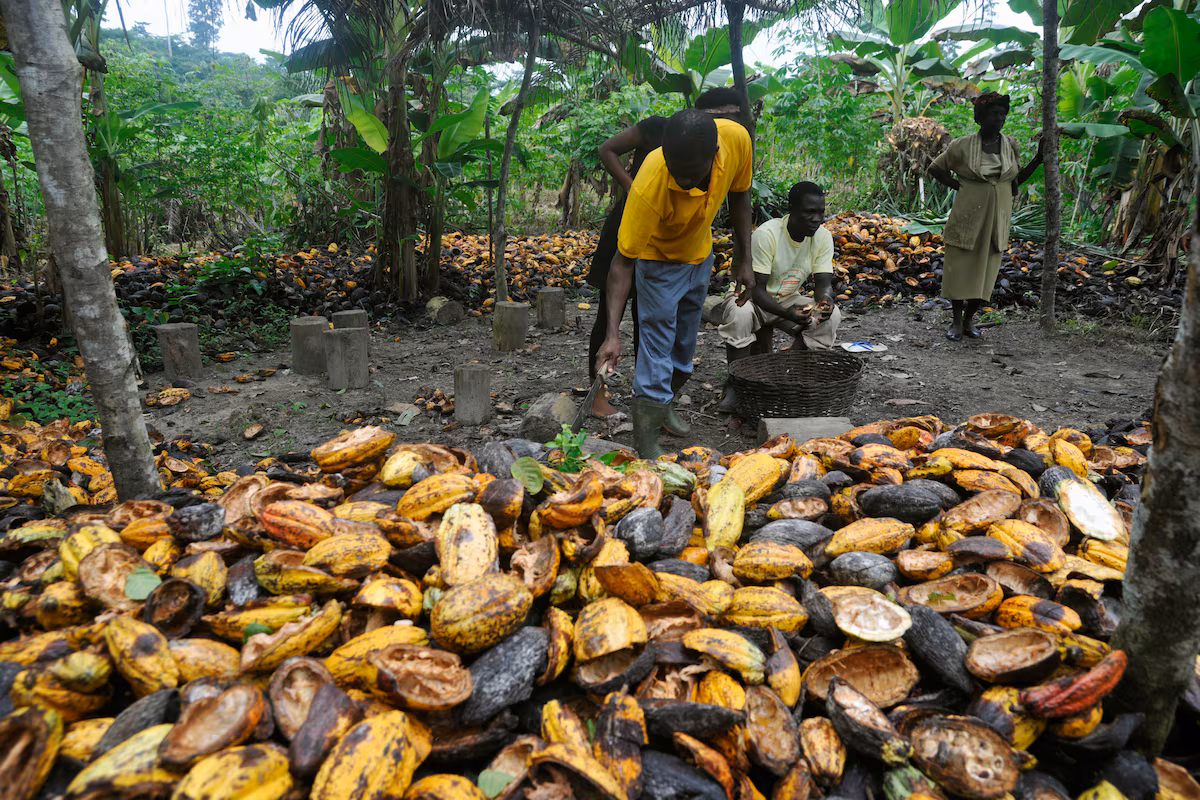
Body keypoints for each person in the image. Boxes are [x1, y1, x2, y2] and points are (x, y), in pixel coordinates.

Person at [596, 108, 754, 459]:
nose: (680, 181)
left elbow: (740, 195)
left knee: (683, 353)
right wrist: (612, 333)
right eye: (675, 171)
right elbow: (621, 265)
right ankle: (646, 441)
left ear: (713, 156)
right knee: (656, 348)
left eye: (690, 174)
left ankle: (665, 405)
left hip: (699, 256)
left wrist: (746, 258)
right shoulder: (649, 185)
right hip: (657, 264)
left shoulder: (736, 140)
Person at [715, 181, 841, 413]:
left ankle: (786, 375)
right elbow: (757, 289)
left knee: (831, 317)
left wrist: (826, 300)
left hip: (787, 298)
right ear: (791, 209)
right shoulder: (767, 234)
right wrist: (786, 313)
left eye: (821, 212)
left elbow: (823, 284)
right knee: (739, 312)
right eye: (809, 212)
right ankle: (736, 383)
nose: (817, 219)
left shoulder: (822, 237)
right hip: (752, 297)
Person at [928, 92, 1044, 340]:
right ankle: (956, 322)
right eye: (994, 114)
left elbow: (1016, 181)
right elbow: (935, 168)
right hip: (967, 216)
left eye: (1003, 114)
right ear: (980, 117)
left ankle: (970, 321)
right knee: (960, 269)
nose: (1000, 119)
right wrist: (959, 186)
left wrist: (1039, 159)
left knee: (986, 272)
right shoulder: (962, 145)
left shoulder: (1010, 146)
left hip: (996, 219)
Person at [585, 114, 668, 417]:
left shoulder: (712, 142)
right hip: (627, 224)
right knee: (609, 315)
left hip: (664, 232)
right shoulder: (657, 127)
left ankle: (647, 394)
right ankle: (597, 393)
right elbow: (607, 149)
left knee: (649, 316)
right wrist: (633, 188)